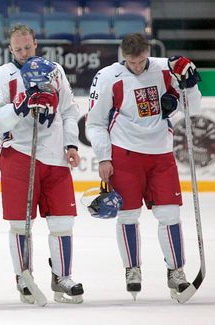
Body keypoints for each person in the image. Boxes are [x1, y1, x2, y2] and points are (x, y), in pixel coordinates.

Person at [85, 32, 202, 301]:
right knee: (127, 215)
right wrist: (104, 157)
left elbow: (190, 108)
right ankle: (132, 268)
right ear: (122, 56)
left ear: (148, 52)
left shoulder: (167, 68)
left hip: (161, 154)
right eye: (131, 62)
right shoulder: (107, 77)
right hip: (124, 155)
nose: (137, 67)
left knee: (170, 214)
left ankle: (176, 272)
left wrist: (190, 84)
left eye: (140, 61)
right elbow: (95, 122)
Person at [0, 24, 84, 304]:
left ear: (36, 43)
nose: (24, 52)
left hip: (55, 154)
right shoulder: (0, 75)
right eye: (18, 49)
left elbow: (68, 110)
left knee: (63, 221)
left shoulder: (55, 71)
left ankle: (62, 276)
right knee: (20, 224)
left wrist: (72, 144)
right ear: (10, 49)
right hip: (18, 153)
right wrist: (20, 106)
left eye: (28, 47)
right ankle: (24, 277)